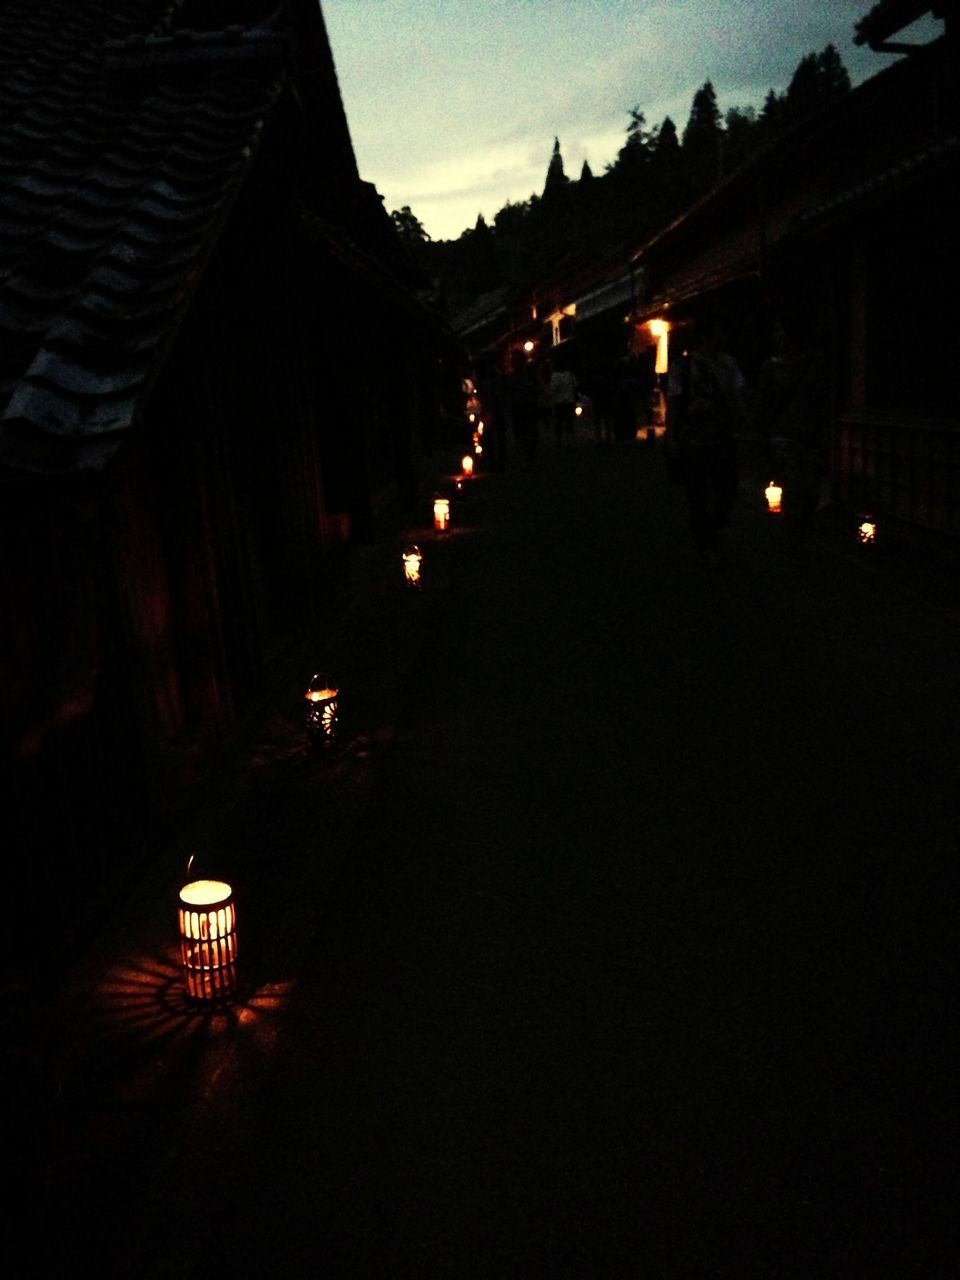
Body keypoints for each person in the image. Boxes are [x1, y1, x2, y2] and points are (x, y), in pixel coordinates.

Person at [666, 311, 746, 561]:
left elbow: (738, 397)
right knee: (698, 495)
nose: (723, 337)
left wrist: (744, 422)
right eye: (719, 332)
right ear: (707, 335)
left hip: (723, 435)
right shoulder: (684, 366)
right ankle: (705, 542)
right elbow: (675, 402)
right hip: (694, 439)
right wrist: (671, 436)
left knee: (727, 490)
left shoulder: (728, 364)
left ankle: (712, 530)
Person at [753, 308, 830, 551]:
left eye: (780, 330)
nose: (776, 335)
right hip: (782, 437)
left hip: (808, 436)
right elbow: (763, 405)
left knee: (809, 492)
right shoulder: (771, 367)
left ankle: (796, 535)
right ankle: (794, 539)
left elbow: (822, 401)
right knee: (796, 488)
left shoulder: (814, 363)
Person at [506, 352, 541, 469]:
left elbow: (537, 389)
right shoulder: (513, 378)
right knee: (523, 435)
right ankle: (525, 460)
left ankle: (528, 459)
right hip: (520, 408)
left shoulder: (529, 376)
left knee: (529, 434)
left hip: (528, 407)